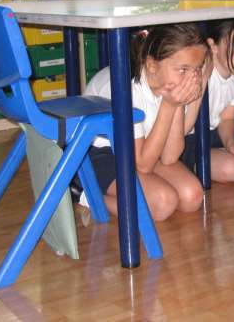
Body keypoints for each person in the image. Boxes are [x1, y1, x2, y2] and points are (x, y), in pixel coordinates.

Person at [76, 23, 209, 221]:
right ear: (152, 65)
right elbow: (144, 165)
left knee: (192, 197)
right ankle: (87, 196)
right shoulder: (127, 90)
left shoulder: (171, 82)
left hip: (142, 150)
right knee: (163, 204)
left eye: (197, 69)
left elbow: (170, 157)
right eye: (183, 69)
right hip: (100, 154)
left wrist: (177, 104)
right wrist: (170, 106)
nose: (192, 77)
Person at [181, 19, 234, 182]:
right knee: (233, 169)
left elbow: (227, 119)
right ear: (213, 46)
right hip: (186, 138)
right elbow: (183, 128)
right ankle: (192, 167)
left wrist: (231, 144)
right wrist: (202, 81)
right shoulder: (198, 73)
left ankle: (217, 156)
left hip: (215, 131)